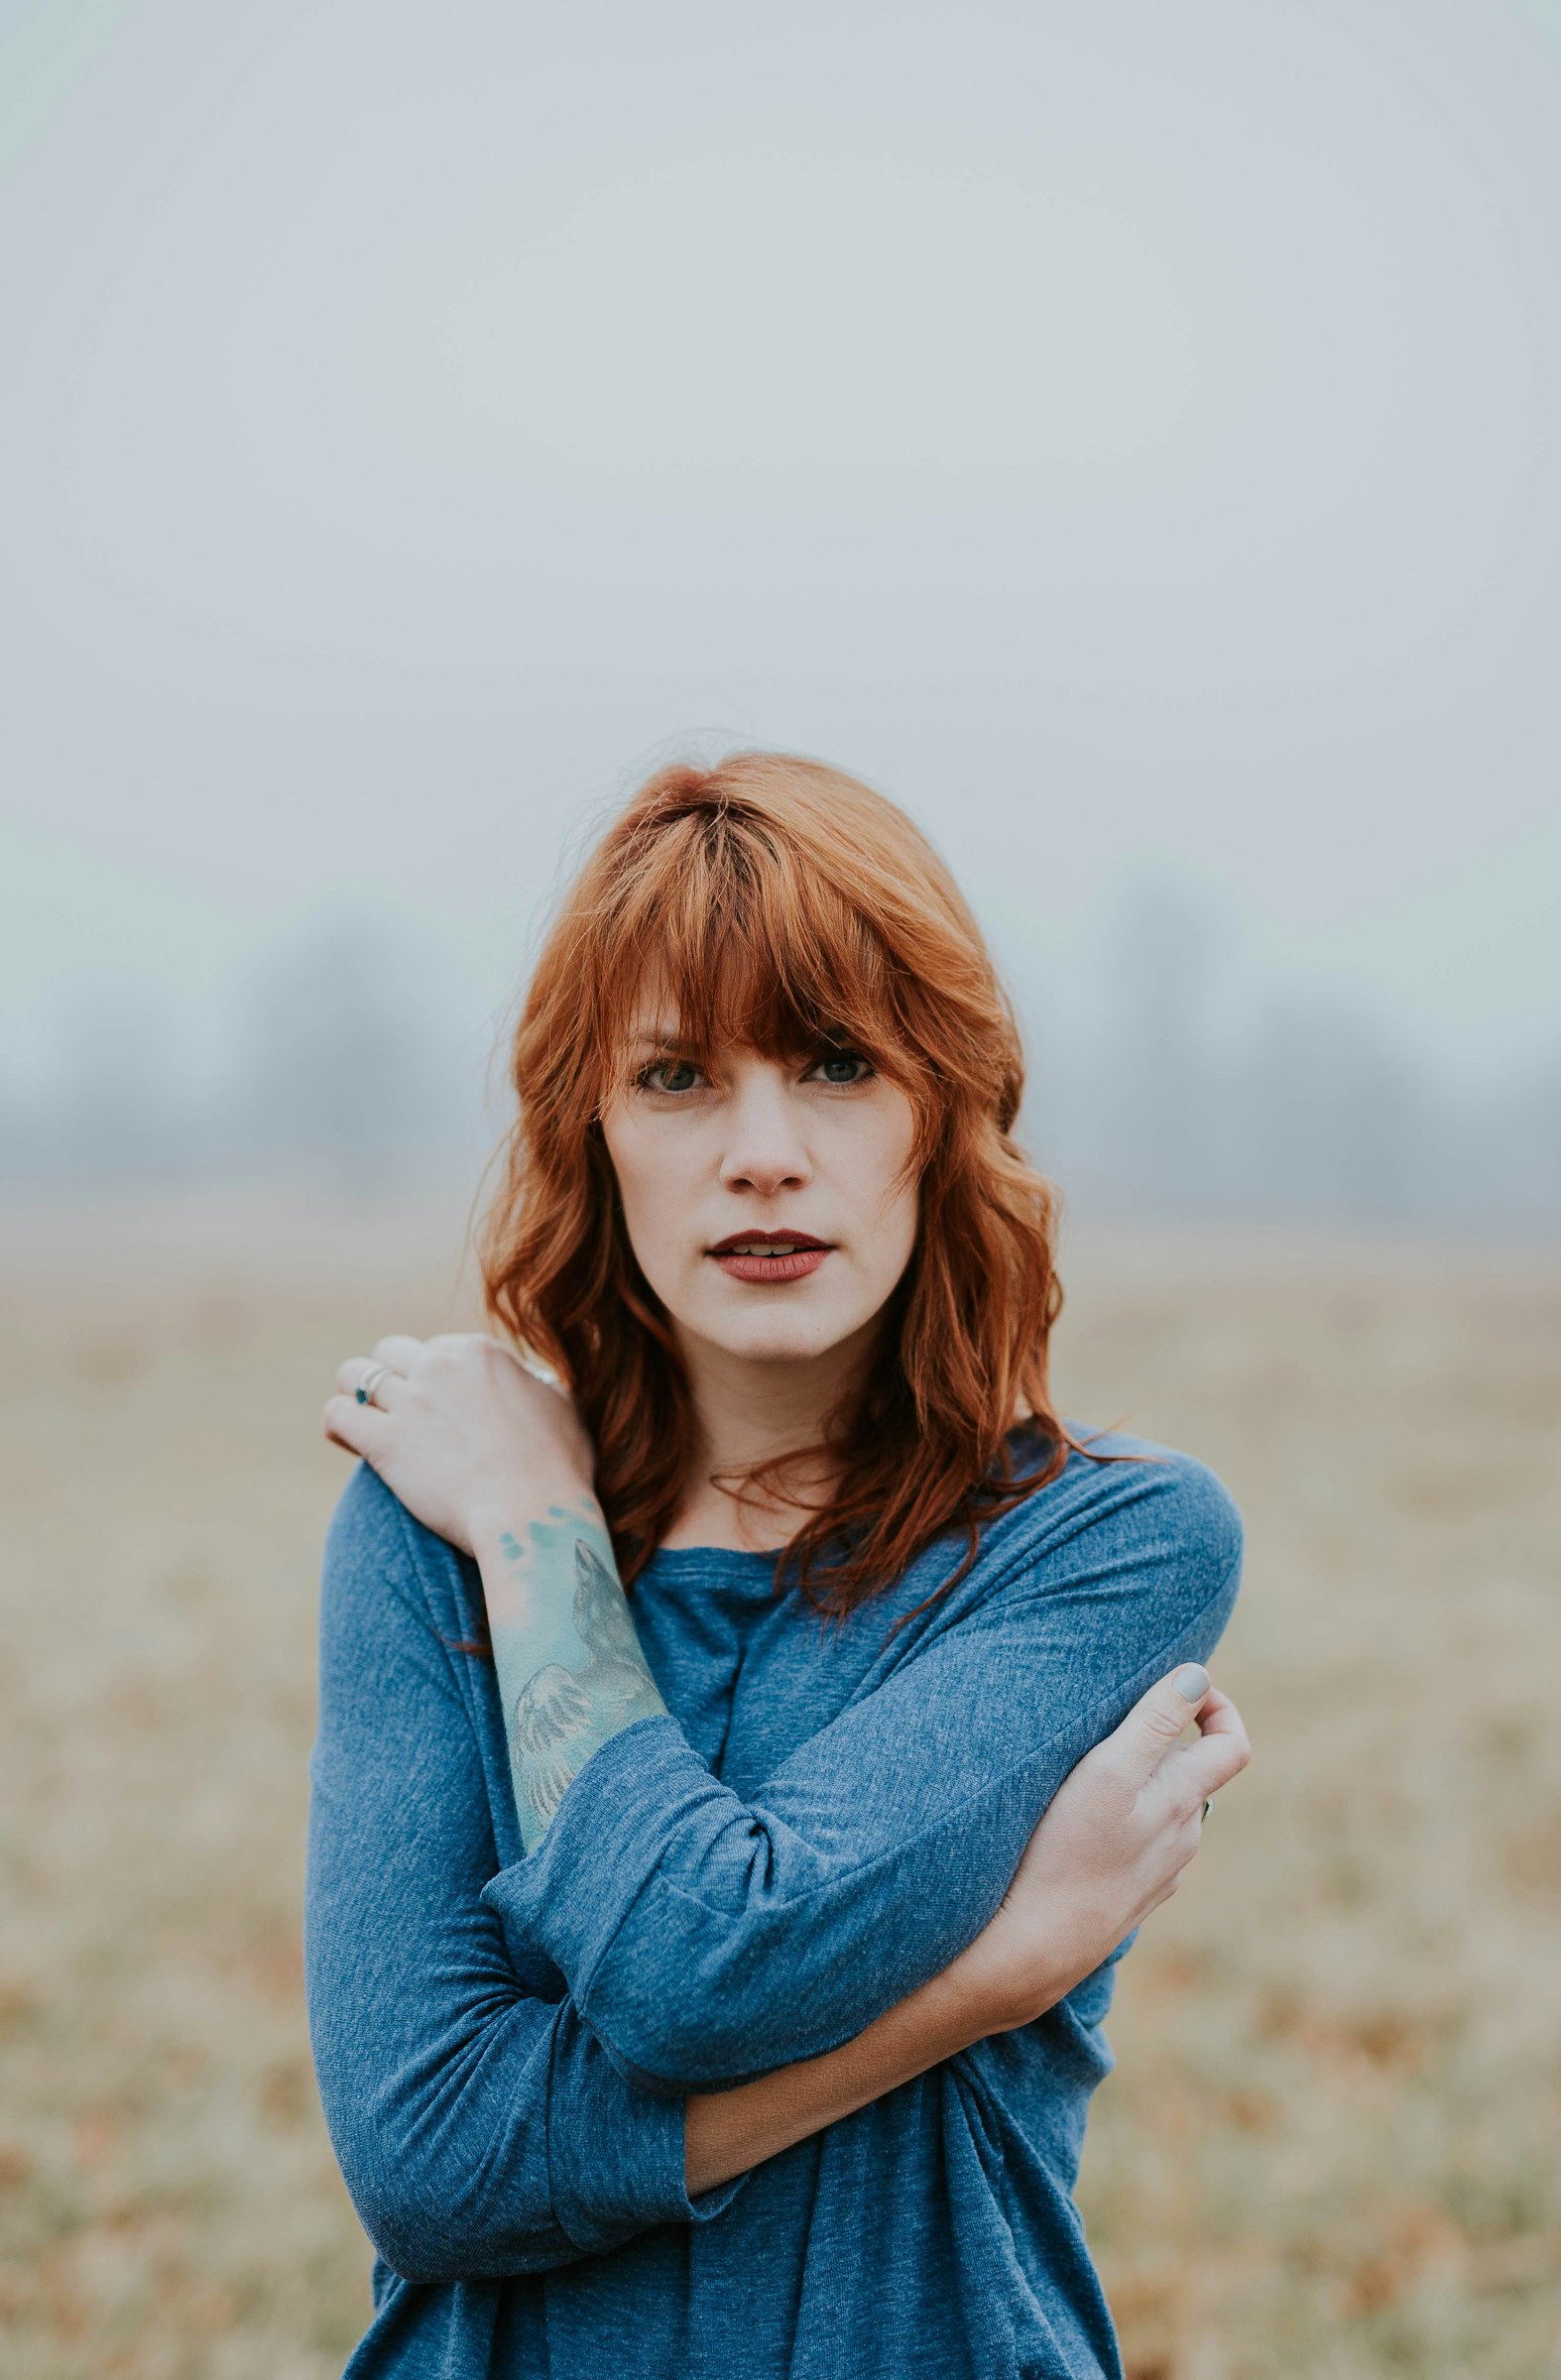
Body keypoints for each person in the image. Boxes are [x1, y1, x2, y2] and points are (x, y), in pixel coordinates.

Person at [307, 750, 1253, 2380]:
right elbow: (433, 2169)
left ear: (942, 1111)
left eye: (833, 1066)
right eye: (676, 1077)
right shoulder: (435, 1521)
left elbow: (705, 1969)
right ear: (589, 1127)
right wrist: (986, 1979)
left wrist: (538, 1547)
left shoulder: (1101, 1545)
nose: (761, 1152)